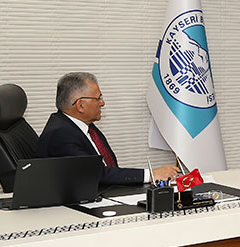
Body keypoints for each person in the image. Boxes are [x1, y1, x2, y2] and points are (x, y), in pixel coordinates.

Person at [37, 72, 180, 185]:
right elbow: (95, 174)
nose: (102, 103)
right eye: (98, 98)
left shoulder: (83, 125)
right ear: (80, 105)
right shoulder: (61, 134)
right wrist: (152, 175)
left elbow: (109, 169)